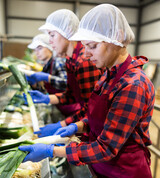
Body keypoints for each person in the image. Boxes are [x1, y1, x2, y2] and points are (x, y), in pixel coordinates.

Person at [19, 4, 155, 178]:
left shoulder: (132, 85)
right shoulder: (108, 75)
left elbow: (107, 147)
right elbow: (93, 117)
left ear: (115, 41)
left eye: (92, 46)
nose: (86, 53)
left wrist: (53, 150)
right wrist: (76, 126)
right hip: (104, 170)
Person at [24, 9, 102, 137]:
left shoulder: (84, 61)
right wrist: (47, 98)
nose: (49, 41)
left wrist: (62, 124)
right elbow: (71, 95)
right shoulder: (70, 60)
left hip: (91, 124)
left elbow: (92, 110)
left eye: (52, 35)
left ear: (67, 32)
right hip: (83, 119)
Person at [26, 33, 71, 117]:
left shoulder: (57, 62)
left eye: (39, 48)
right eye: (35, 50)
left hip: (71, 108)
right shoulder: (46, 67)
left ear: (49, 47)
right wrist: (34, 85)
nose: (37, 53)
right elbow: (47, 92)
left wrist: (48, 78)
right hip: (61, 107)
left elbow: (66, 84)